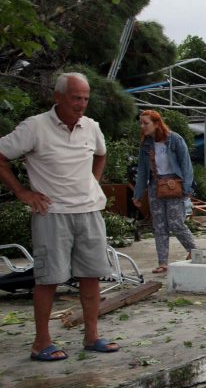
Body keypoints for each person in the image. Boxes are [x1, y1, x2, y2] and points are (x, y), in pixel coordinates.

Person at [0, 72, 119, 361]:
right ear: (58, 97)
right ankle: (41, 342)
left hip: (89, 211)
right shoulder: (35, 127)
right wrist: (23, 193)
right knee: (48, 279)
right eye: (76, 97)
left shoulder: (91, 127)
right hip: (52, 213)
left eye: (86, 98)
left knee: (92, 276)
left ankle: (92, 336)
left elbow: (101, 154)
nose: (81, 104)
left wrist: (93, 181)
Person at [133, 110, 197, 274]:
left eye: (145, 123)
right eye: (141, 123)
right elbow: (142, 170)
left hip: (174, 184)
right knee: (159, 226)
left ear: (156, 123)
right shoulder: (146, 144)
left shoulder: (174, 139)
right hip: (155, 185)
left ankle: (195, 251)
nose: (142, 126)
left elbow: (186, 164)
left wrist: (187, 188)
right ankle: (163, 263)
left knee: (176, 223)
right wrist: (138, 194)